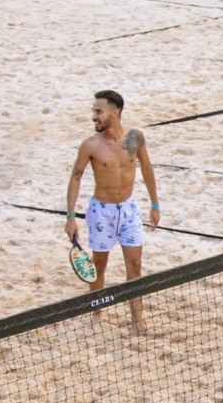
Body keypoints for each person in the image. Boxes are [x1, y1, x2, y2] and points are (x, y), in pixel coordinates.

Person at [64, 89, 160, 328]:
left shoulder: (135, 138)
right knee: (98, 265)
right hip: (101, 212)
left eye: (99, 111)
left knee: (135, 266)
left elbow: (147, 169)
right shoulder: (90, 145)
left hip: (128, 209)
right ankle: (97, 315)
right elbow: (75, 178)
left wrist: (155, 204)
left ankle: (138, 322)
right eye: (93, 111)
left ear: (115, 112)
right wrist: (70, 216)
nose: (94, 116)